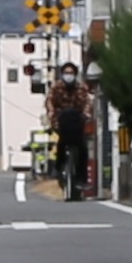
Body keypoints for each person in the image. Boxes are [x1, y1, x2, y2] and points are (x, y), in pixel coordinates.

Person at [45, 63, 92, 195]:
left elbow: (87, 103)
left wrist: (85, 115)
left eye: (71, 73)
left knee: (83, 148)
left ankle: (82, 179)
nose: (68, 75)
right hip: (62, 121)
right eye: (66, 72)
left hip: (77, 122)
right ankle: (58, 168)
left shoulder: (81, 88)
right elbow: (50, 103)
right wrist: (52, 115)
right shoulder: (56, 87)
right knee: (61, 143)